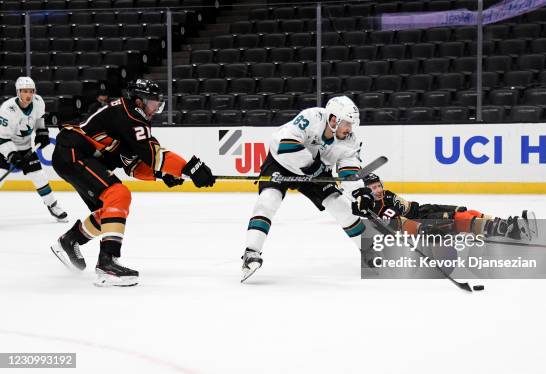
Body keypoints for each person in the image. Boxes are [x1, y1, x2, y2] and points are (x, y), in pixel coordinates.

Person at [50, 79, 216, 287]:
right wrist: (189, 168)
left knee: (111, 209)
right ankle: (107, 264)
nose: (157, 108)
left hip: (76, 154)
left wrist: (161, 175)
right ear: (139, 101)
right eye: (154, 102)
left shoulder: (128, 118)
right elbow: (154, 155)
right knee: (118, 195)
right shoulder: (129, 115)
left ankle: (71, 240)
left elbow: (134, 165)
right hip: (73, 151)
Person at [241, 96, 365, 282]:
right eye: (346, 123)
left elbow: (349, 169)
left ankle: (370, 251)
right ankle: (251, 253)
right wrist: (312, 167)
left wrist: (358, 192)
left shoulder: (349, 140)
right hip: (281, 162)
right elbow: (287, 145)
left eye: (351, 124)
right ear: (333, 119)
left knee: (339, 205)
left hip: (315, 171)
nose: (349, 129)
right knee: (268, 200)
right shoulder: (312, 117)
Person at [352, 173, 535, 241]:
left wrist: (451, 207)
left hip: (423, 211)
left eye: (378, 185)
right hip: (422, 222)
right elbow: (401, 225)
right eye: (372, 188)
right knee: (462, 219)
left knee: (465, 212)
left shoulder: (388, 194)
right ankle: (506, 230)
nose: (377, 189)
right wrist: (425, 231)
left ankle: (505, 225)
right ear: (366, 191)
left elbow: (416, 208)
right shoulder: (377, 209)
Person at [0, 76, 68, 221]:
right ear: (18, 92)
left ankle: (53, 205)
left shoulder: (38, 101)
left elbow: (39, 120)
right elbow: (2, 138)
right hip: (4, 147)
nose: (28, 94)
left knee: (39, 176)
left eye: (31, 91)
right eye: (24, 91)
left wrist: (42, 132)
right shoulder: (7, 109)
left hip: (25, 147)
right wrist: (12, 155)